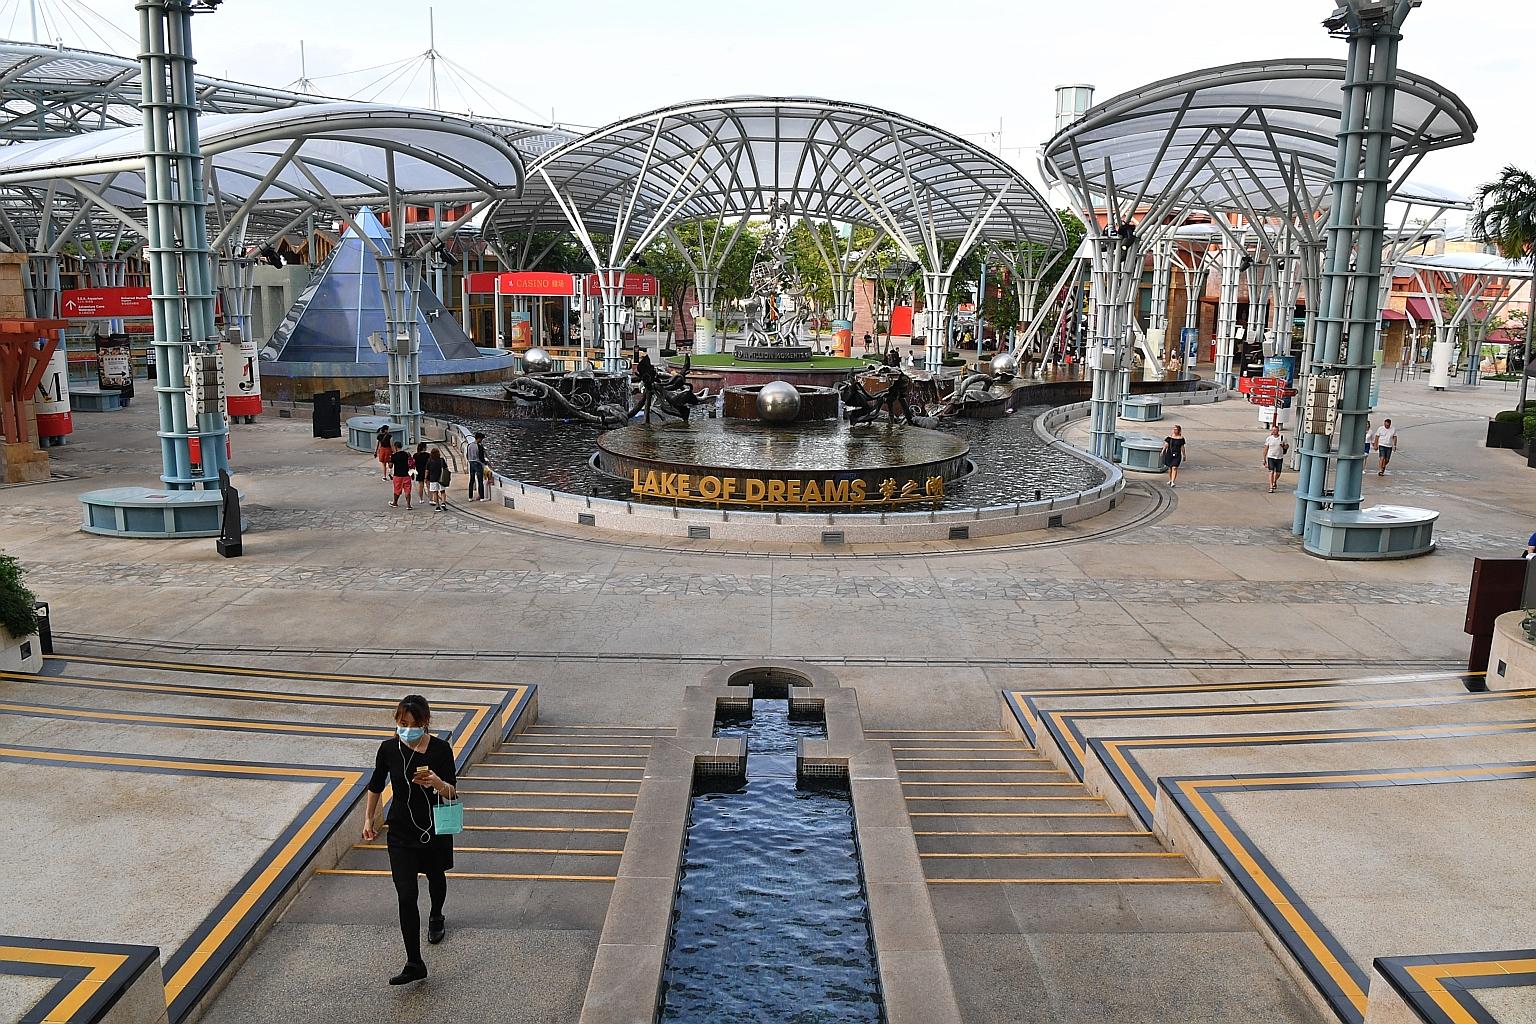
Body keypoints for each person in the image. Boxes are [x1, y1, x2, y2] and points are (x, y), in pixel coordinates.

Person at [363, 695, 457, 986]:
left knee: (435, 876)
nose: (407, 730)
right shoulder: (389, 749)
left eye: (413, 725)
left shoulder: (440, 750)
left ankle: (437, 914)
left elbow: (453, 792)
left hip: (433, 828)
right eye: (402, 724)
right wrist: (369, 819)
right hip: (400, 832)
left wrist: (438, 784)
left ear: (425, 723)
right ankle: (414, 962)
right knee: (406, 895)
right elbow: (376, 785)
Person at [1262, 424, 1288, 493]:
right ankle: (1271, 487)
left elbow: (1286, 447)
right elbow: (1265, 449)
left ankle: (1274, 481)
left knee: (1278, 473)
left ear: (1278, 431)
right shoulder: (1269, 438)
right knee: (1271, 471)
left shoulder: (1282, 438)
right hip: (1271, 456)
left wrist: (1283, 446)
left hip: (1279, 457)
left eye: (1275, 430)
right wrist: (1264, 459)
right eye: (1273, 430)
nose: (1274, 431)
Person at [466, 432, 490, 501]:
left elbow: (467, 455)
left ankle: (470, 497)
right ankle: (482, 497)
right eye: (481, 438)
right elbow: (481, 458)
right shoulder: (479, 446)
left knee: (471, 480)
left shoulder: (469, 445)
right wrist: (486, 463)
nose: (482, 440)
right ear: (479, 438)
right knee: (480, 480)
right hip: (478, 464)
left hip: (471, 463)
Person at [389, 441, 413, 509]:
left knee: (397, 490)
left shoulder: (394, 456)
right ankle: (408, 505)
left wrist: (389, 460)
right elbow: (411, 463)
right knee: (407, 490)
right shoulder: (407, 454)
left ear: (395, 447)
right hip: (406, 475)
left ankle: (395, 503)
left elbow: (390, 466)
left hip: (397, 475)